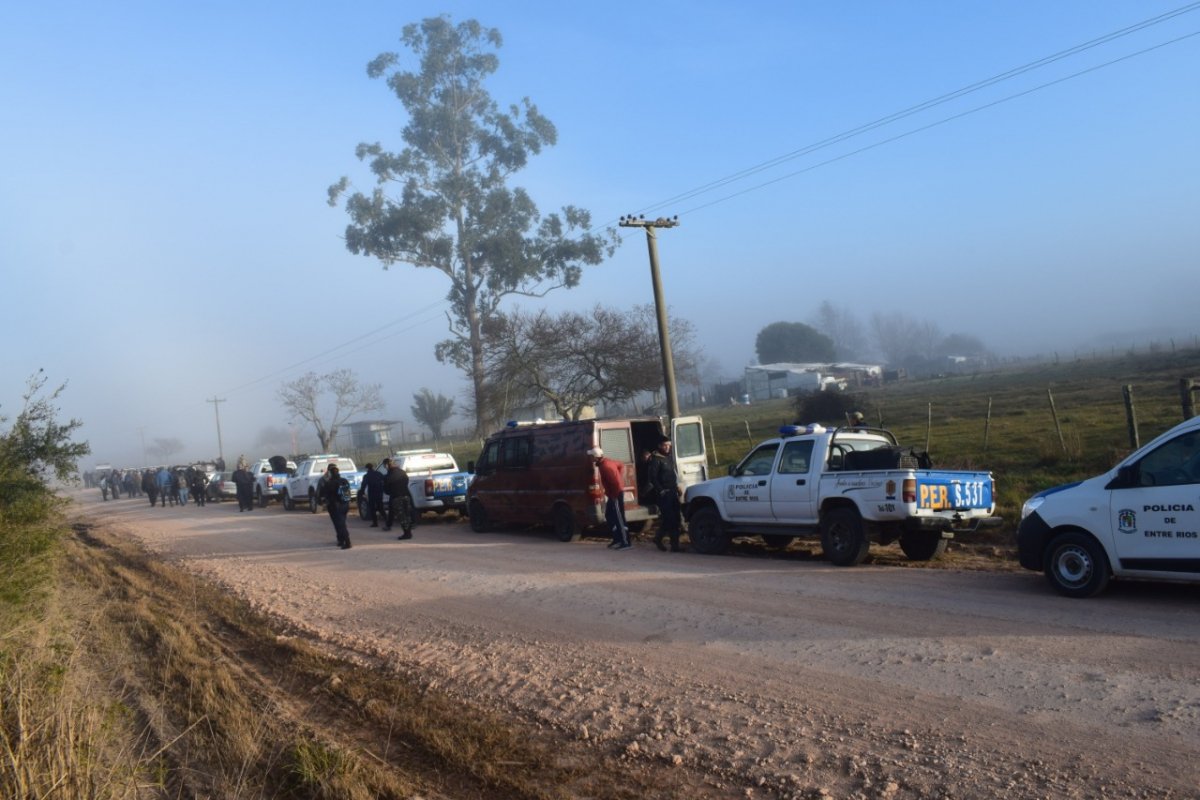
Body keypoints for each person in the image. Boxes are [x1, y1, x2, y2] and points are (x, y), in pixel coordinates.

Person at [645, 434, 683, 552]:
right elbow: (653, 478)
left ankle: (659, 539)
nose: (667, 447)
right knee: (669, 519)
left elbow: (672, 474)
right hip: (664, 494)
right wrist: (661, 491)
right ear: (659, 446)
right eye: (665, 445)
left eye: (668, 445)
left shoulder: (668, 458)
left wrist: (677, 486)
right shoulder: (655, 460)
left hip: (672, 492)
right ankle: (673, 546)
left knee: (675, 518)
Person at [589, 447, 630, 550]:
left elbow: (615, 484)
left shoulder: (605, 466)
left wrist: (614, 495)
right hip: (613, 494)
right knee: (609, 515)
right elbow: (621, 465)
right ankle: (617, 538)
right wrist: (620, 477)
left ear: (595, 457)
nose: (590, 459)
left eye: (591, 457)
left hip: (615, 494)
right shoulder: (606, 462)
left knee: (619, 517)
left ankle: (625, 542)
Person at [322, 464, 353, 549]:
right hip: (345, 504)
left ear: (330, 473)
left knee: (339, 524)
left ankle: (346, 542)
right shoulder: (344, 480)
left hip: (335, 506)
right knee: (342, 523)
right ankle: (342, 540)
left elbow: (325, 494)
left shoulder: (329, 483)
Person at [383, 458, 414, 539]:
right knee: (407, 514)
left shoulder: (388, 476)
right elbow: (407, 481)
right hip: (406, 495)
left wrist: (392, 491)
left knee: (402, 516)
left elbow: (386, 490)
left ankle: (407, 534)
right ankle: (409, 532)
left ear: (387, 465)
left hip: (396, 497)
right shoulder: (402, 472)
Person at [362, 462, 385, 527]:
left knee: (372, 508)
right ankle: (386, 520)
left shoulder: (366, 476)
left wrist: (362, 492)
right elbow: (384, 480)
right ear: (372, 467)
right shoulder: (379, 474)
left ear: (367, 468)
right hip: (379, 492)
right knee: (381, 507)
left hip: (372, 493)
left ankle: (375, 523)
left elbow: (363, 485)